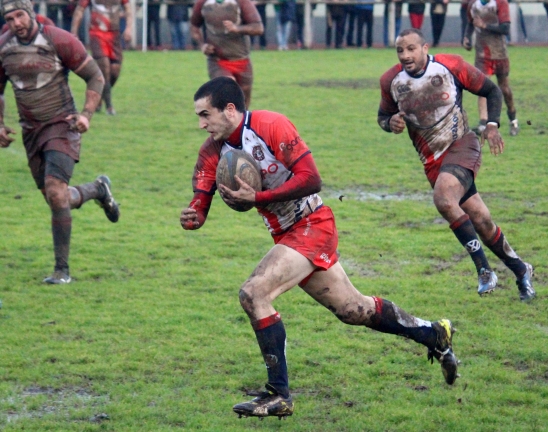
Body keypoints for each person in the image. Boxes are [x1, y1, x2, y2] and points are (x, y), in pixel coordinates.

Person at [181, 76, 459, 419]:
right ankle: (434, 334)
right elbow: (200, 202)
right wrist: (194, 215)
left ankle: (278, 394)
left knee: (253, 293)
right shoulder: (212, 151)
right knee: (353, 310)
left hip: (312, 224)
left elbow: (312, 179)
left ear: (229, 109)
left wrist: (260, 197)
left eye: (205, 115)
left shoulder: (271, 126)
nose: (201, 124)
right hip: (287, 235)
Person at [377, 28, 535, 302]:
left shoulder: (450, 66)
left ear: (425, 48)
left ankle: (484, 270)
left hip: (462, 145)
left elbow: (491, 90)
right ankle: (521, 270)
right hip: (432, 161)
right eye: (400, 50)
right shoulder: (391, 80)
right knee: (481, 219)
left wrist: (492, 125)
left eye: (411, 49)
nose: (405, 55)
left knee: (443, 198)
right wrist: (390, 123)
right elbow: (383, 116)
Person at [0, 0, 120, 284]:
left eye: (20, 15)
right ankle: (98, 189)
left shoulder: (58, 39)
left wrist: (87, 115)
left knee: (56, 193)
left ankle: (61, 271)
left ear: (31, 13)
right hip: (30, 131)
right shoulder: (4, 47)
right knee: (58, 199)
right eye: (9, 18)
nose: (16, 23)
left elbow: (95, 76)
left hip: (62, 125)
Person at [190, 0, 263, 109]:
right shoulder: (203, 2)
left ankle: (239, 119)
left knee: (243, 101)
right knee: (228, 87)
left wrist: (237, 28)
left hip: (242, 59)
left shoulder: (241, 2)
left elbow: (258, 28)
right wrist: (202, 45)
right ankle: (223, 116)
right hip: (217, 60)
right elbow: (194, 26)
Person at [463, 0, 519, 136]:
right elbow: (470, 23)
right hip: (482, 53)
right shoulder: (473, 4)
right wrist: (466, 38)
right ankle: (483, 124)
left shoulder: (500, 3)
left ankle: (513, 119)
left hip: (499, 52)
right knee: (483, 87)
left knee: (504, 88)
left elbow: (505, 28)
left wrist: (484, 25)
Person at [71, 0, 133, 116]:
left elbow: (128, 9)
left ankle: (99, 97)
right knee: (104, 68)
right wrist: (74, 32)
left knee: (115, 71)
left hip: (114, 35)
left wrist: (129, 28)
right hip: (97, 33)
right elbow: (79, 9)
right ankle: (109, 107)